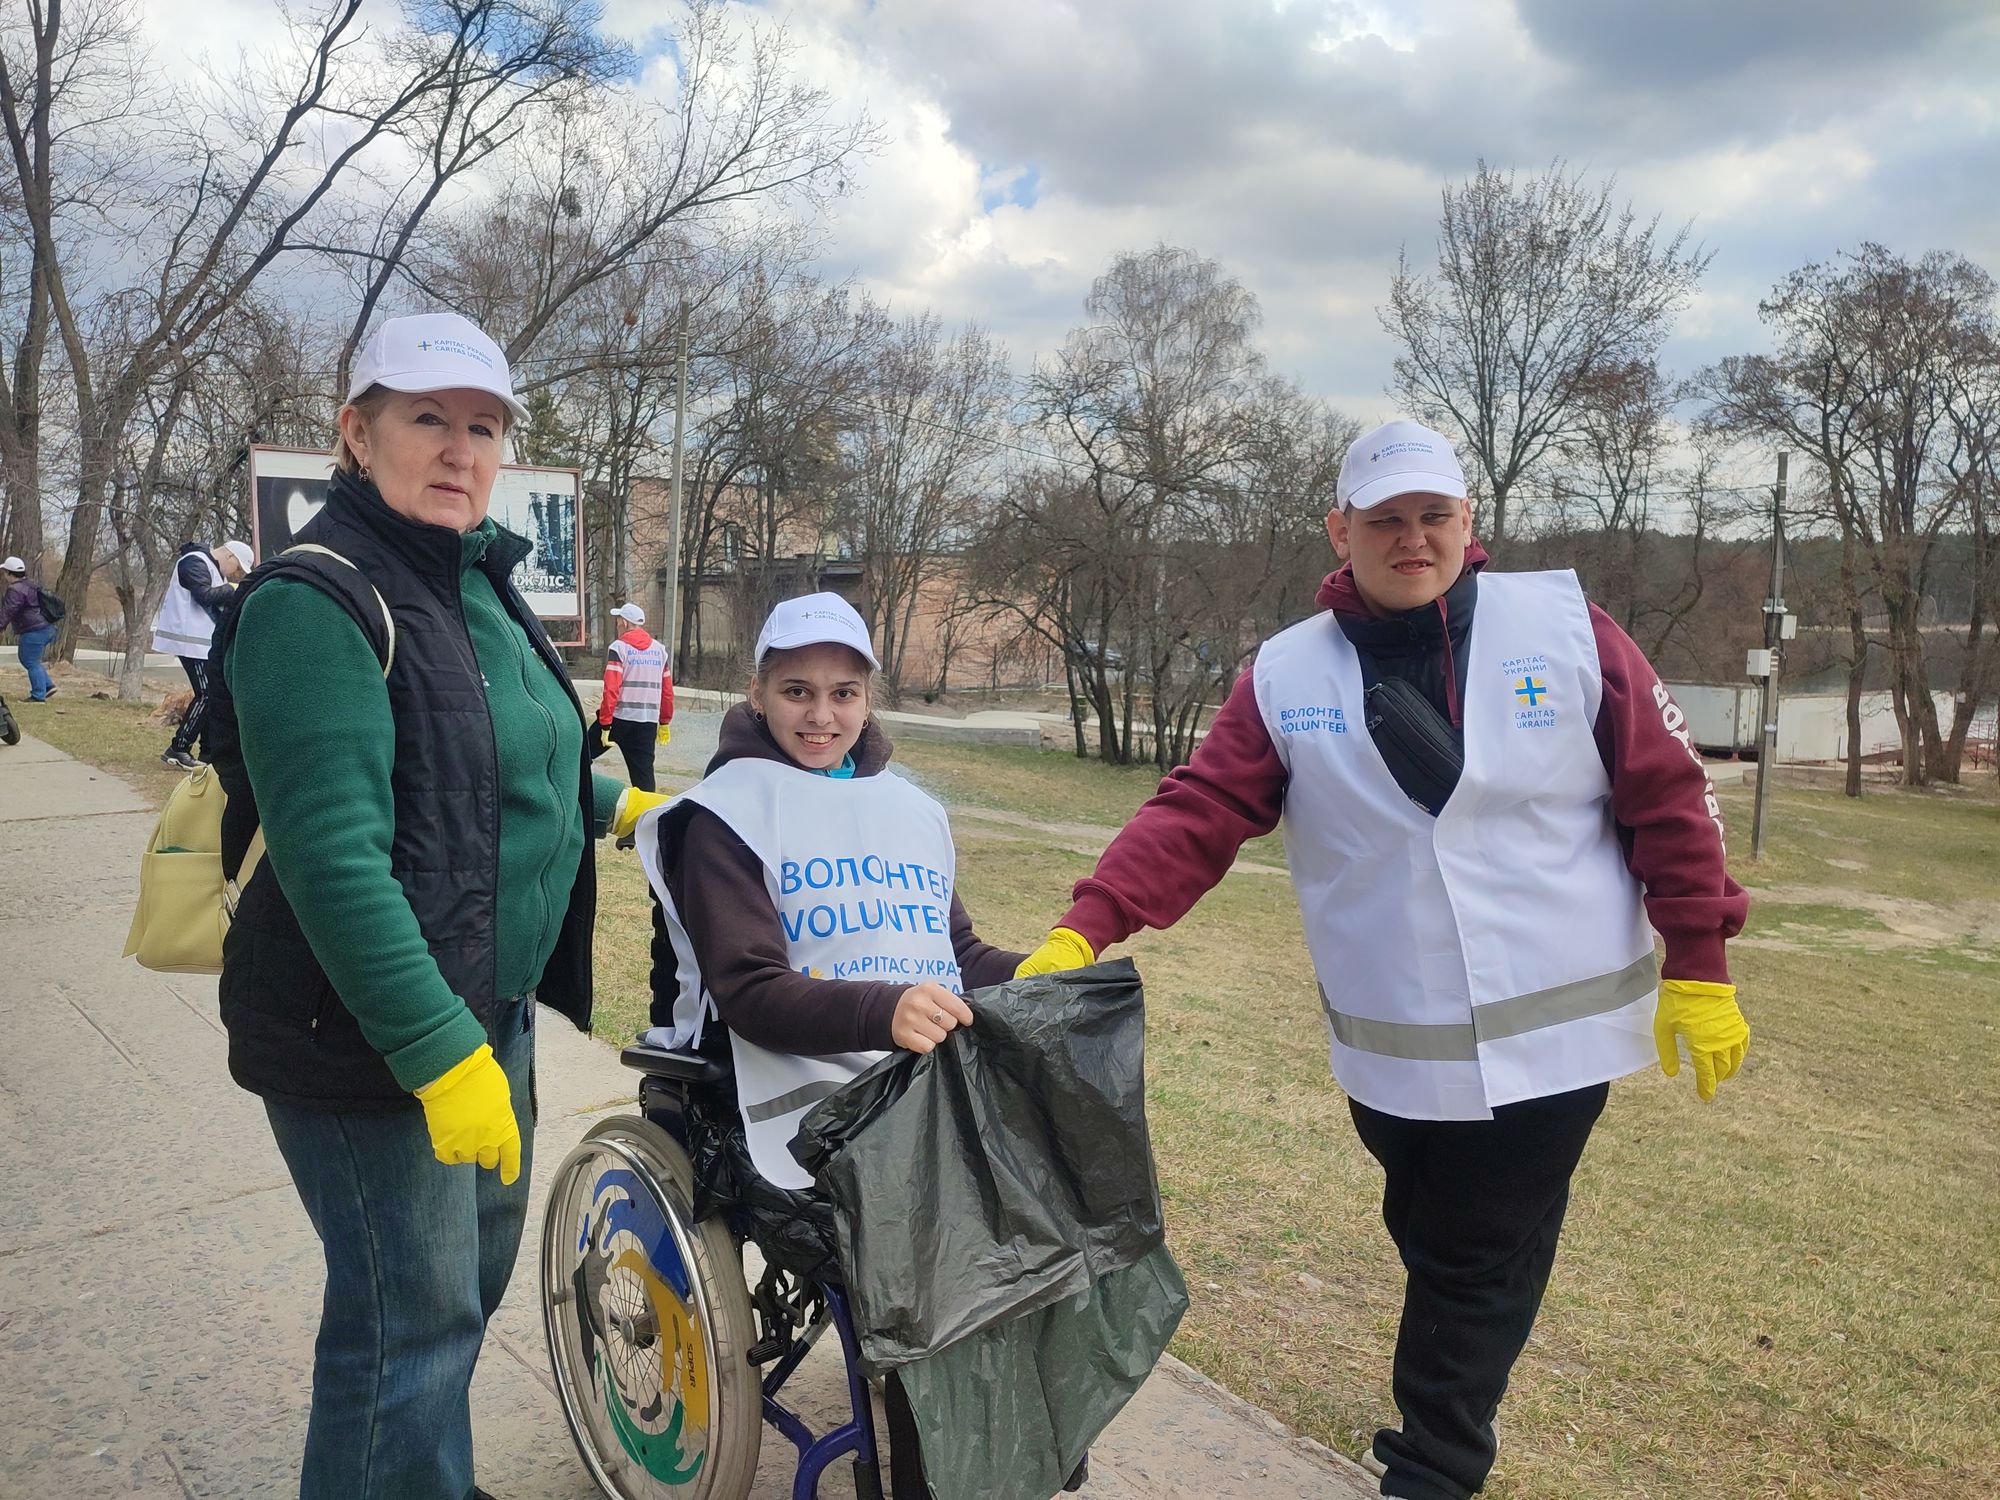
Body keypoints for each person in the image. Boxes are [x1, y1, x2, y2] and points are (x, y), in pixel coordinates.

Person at [1017, 419, 1751, 1500]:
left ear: (1467, 520)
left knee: (1472, 1252)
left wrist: (1699, 962)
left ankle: (1433, 1467)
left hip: (1555, 1033)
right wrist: (1088, 924)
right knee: (1443, 1237)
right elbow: (1200, 810)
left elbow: (1668, 797)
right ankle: (1447, 1416)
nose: (1413, 538)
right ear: (1341, 531)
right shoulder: (1285, 672)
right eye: (1386, 520)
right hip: (1395, 1050)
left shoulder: (1566, 631)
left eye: (1432, 516)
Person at [203, 311, 665, 1500]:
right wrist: (438, 1054)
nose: (461, 450)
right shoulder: (316, 601)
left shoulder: (474, 582)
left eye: (484, 427)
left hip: (486, 1006)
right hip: (374, 1033)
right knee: (403, 1324)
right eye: (427, 419)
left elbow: (499, 760)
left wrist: (622, 805)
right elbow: (333, 857)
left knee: (461, 1294)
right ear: (356, 435)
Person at [634, 592, 1024, 1500]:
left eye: (844, 693)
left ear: (868, 698)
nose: (822, 715)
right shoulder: (722, 816)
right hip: (758, 1095)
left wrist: (1048, 972)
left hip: (899, 1084)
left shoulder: (910, 809)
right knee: (943, 1237)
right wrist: (885, 1012)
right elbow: (751, 992)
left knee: (1047, 1198)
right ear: (757, 693)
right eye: (797, 691)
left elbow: (955, 954)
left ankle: (1010, 1447)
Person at [153, 538, 252, 770]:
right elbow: (205, 596)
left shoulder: (210, 567)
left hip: (199, 642)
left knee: (211, 695)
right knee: (206, 694)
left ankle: (208, 753)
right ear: (230, 556)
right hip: (190, 641)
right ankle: (179, 748)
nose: (235, 573)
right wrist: (232, 589)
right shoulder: (194, 562)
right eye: (237, 567)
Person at [593, 599, 672, 792]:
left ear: (625, 623)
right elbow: (667, 691)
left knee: (580, 756)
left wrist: (605, 724)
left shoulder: (619, 648)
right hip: (647, 723)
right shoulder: (660, 650)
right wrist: (664, 721)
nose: (617, 624)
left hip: (619, 719)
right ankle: (648, 811)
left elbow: (611, 689)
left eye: (618, 620)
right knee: (644, 779)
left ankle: (580, 799)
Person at [1, 555, 57, 703]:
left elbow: (8, 611)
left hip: (34, 630)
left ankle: (38, 695)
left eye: (5, 572)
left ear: (9, 573)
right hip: (47, 627)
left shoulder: (15, 590)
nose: (4, 575)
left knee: (29, 660)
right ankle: (47, 685)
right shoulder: (31, 585)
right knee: (31, 659)